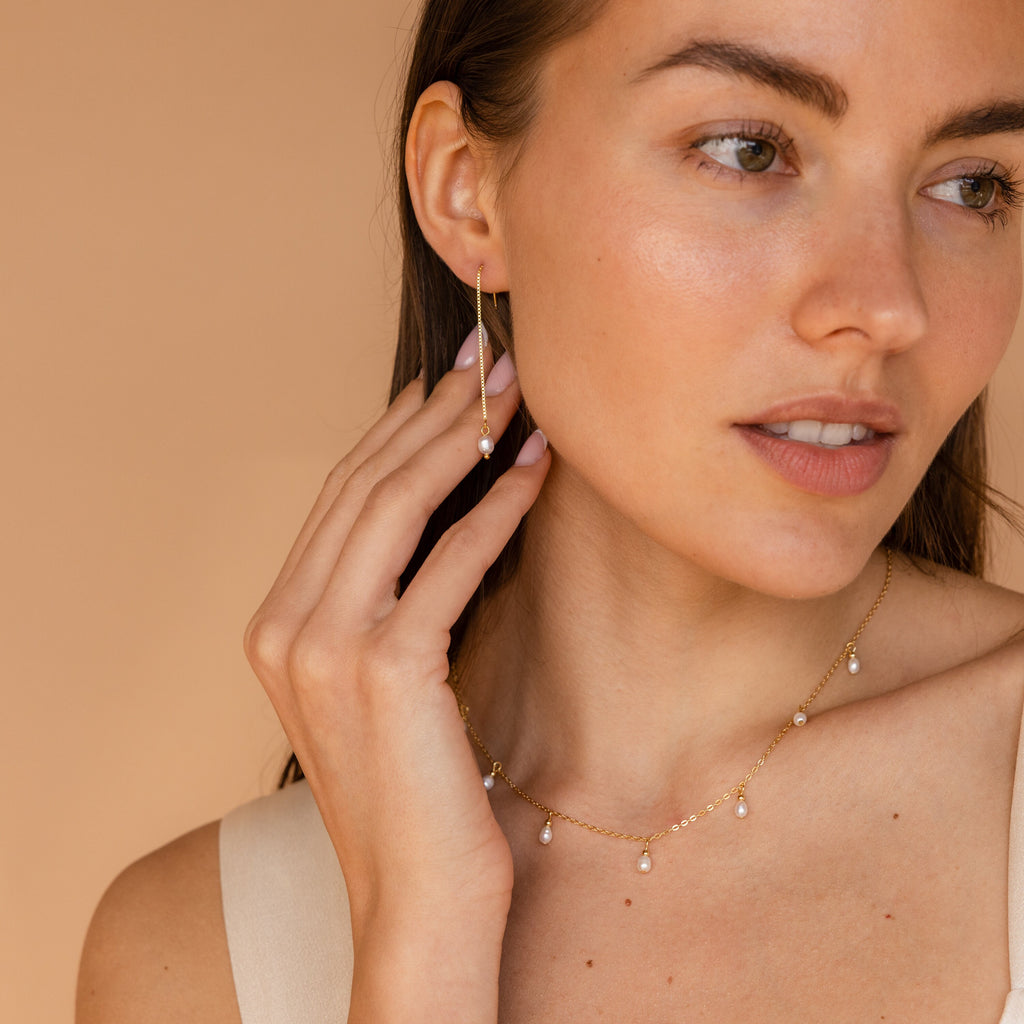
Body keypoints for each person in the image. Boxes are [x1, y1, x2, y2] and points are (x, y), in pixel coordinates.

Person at [76, 0, 1024, 1020]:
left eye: (974, 186)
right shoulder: (193, 953)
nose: (888, 305)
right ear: (467, 192)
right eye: (749, 151)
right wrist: (419, 947)